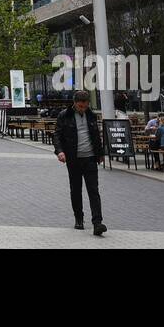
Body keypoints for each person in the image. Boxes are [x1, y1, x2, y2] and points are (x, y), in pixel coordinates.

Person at [53, 89, 106, 236]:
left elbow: (96, 135)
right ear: (75, 104)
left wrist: (100, 153)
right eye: (80, 106)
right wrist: (60, 151)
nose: (83, 109)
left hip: (90, 158)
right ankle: (79, 218)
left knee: (93, 191)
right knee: (76, 190)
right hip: (73, 159)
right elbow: (57, 134)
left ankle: (97, 222)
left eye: (85, 106)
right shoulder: (65, 115)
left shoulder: (91, 115)